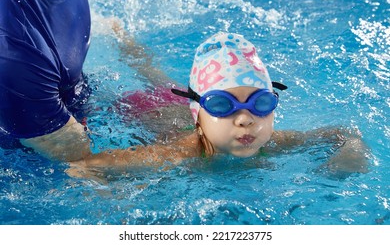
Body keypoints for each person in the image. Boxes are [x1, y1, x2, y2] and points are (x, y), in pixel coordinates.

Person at [67, 32, 370, 178]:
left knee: (158, 75)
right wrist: (106, 197)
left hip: (188, 100)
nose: (245, 120)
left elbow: (344, 134)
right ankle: (120, 35)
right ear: (199, 117)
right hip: (145, 107)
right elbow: (82, 166)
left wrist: (350, 156)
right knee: (136, 80)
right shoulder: (178, 154)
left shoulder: (275, 142)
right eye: (224, 106)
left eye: (261, 102)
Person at [0, 0, 93, 161]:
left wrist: (149, 71)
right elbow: (82, 164)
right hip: (22, 159)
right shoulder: (12, 39)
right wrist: (176, 151)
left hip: (70, 98)